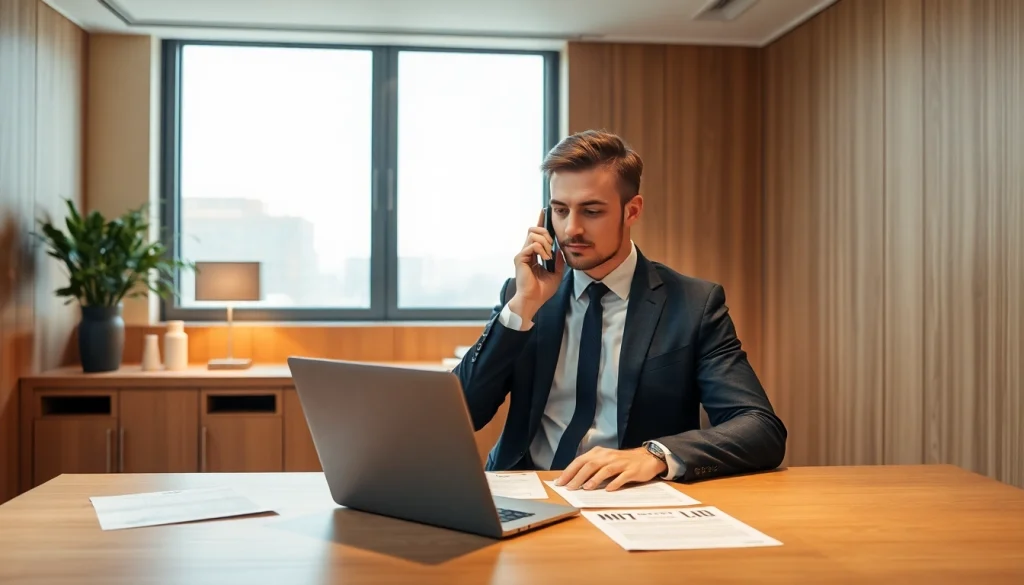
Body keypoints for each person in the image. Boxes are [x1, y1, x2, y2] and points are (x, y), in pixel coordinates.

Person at [453, 129, 786, 492]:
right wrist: (521, 308)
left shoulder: (693, 305)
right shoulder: (524, 295)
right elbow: (459, 416)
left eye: (591, 211)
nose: (572, 229)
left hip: (627, 495)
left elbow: (760, 427)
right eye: (561, 211)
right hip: (527, 486)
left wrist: (655, 454)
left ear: (632, 210)